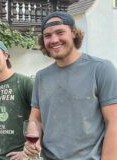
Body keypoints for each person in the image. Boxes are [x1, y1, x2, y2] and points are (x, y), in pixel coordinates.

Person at [24, 11, 117, 160]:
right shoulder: (41, 76)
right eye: (47, 35)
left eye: (60, 32)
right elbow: (36, 119)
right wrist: (33, 139)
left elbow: (114, 123)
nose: (54, 40)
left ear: (73, 32)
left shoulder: (101, 69)